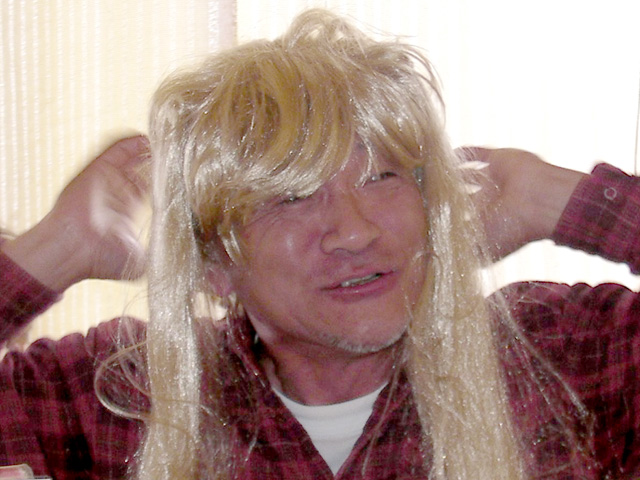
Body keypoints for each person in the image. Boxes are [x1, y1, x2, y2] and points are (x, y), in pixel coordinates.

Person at [1, 8, 639, 480]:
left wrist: (563, 201)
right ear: (215, 264)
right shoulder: (122, 399)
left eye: (382, 177)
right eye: (291, 198)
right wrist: (55, 248)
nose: (356, 231)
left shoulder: (559, 355)